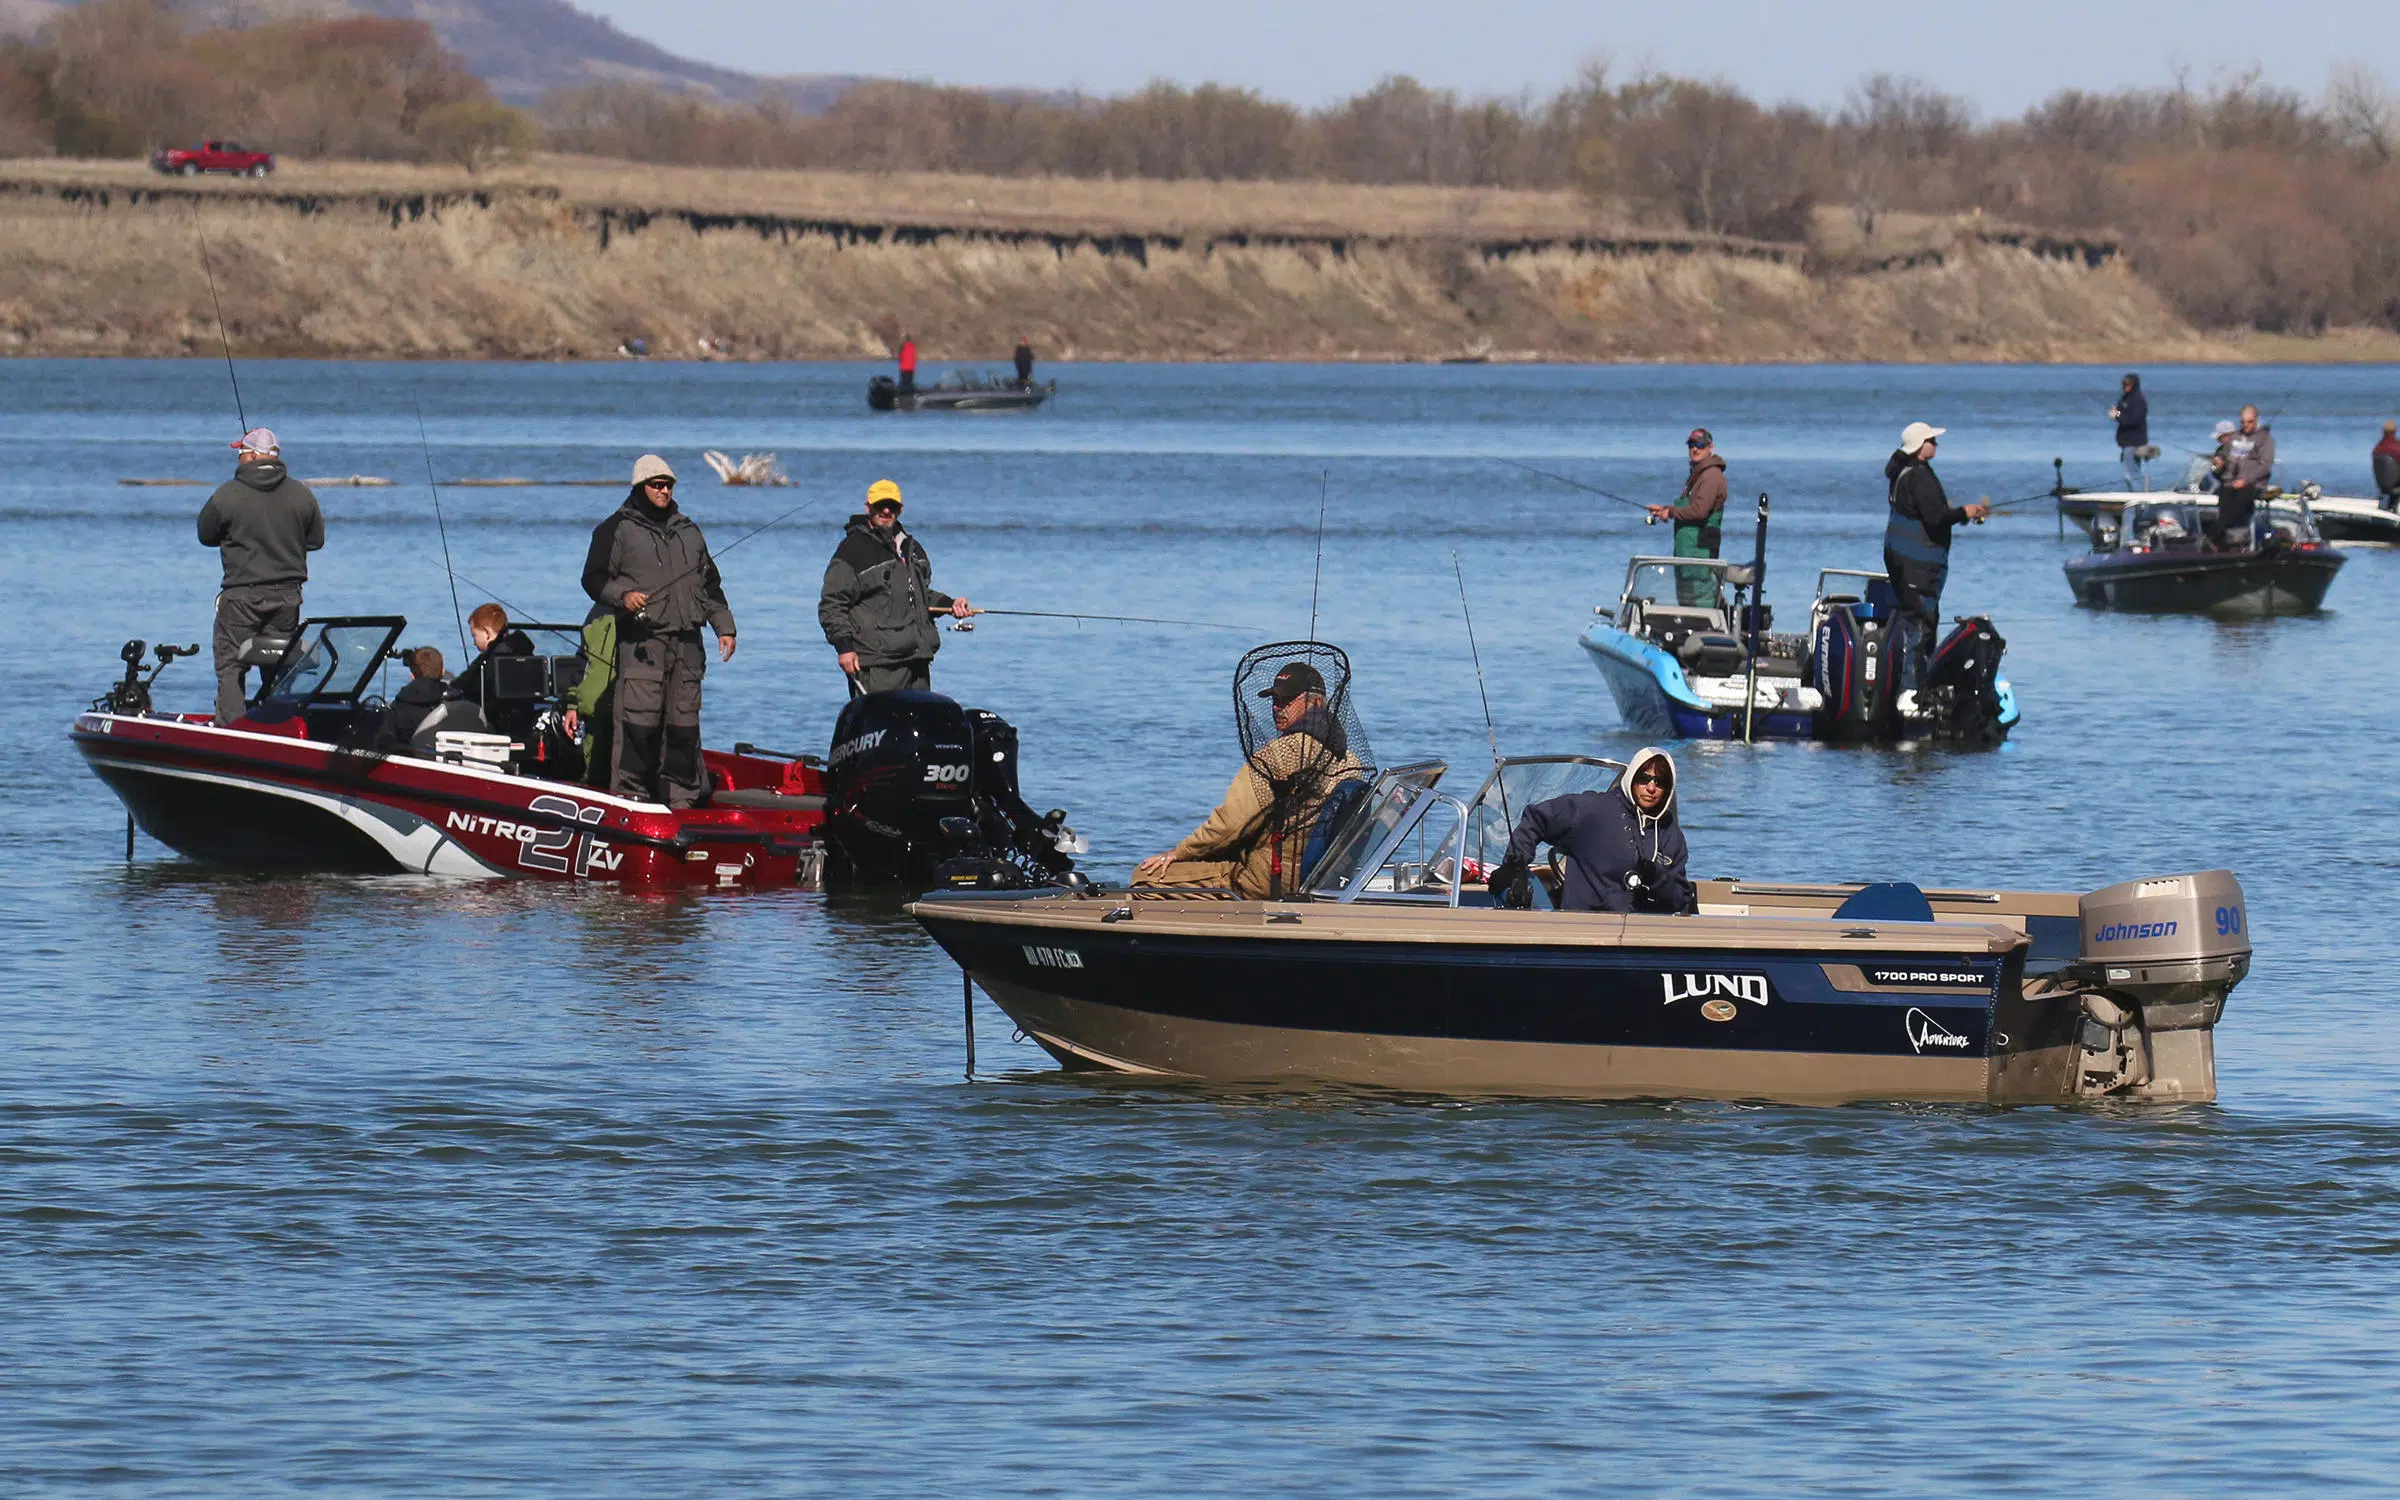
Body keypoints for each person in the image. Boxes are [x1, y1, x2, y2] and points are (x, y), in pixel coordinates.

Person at [580, 454, 736, 808]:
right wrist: (623, 596)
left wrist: (724, 628)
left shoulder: (689, 531)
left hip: (688, 646)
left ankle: (682, 802)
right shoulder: (614, 529)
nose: (664, 491)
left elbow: (710, 584)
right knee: (638, 725)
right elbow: (593, 578)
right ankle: (630, 798)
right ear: (640, 487)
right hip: (642, 645)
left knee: (684, 727)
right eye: (657, 485)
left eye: (668, 485)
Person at [1133, 662, 1364, 899]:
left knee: (1144, 879)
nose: (1277, 707)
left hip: (1266, 882)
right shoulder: (1350, 759)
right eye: (1274, 700)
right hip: (1321, 879)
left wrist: (1178, 853)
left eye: (1287, 701)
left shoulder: (1279, 755)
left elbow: (1230, 825)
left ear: (1316, 703)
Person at [197, 426, 324, 724]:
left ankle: (233, 731)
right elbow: (316, 541)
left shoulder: (228, 494)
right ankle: (280, 727)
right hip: (287, 599)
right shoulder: (302, 494)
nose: (239, 459)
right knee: (278, 663)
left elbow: (205, 534)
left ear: (253, 455)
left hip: (241, 596)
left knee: (231, 664)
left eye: (241, 453)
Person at [1484, 748, 1695, 915]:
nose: (1650, 788)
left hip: (1641, 933)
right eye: (1644, 778)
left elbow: (1680, 900)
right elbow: (1536, 819)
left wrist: (1657, 878)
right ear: (1632, 777)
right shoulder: (1593, 809)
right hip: (1584, 927)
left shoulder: (1670, 835)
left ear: (1669, 788)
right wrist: (1516, 864)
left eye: (1660, 782)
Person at [818, 480, 971, 695]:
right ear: (868, 508)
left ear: (900, 509)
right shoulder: (852, 550)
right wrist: (844, 649)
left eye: (891, 505)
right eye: (880, 505)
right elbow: (832, 604)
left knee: (919, 725)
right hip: (878, 664)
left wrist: (950, 604)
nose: (886, 510)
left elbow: (918, 594)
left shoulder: (911, 547)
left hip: (917, 661)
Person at [1882, 421, 1989, 699]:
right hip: (1918, 562)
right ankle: (1910, 692)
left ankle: (1914, 684)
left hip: (1902, 557)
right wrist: (1964, 512)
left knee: (1916, 619)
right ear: (1920, 448)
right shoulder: (1919, 476)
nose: (1936, 444)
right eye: (1931, 440)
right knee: (1921, 623)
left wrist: (1962, 515)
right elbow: (1935, 517)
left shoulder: (1905, 472)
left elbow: (1930, 515)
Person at [1648, 428, 1727, 606]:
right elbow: (1690, 509)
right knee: (1687, 604)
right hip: (1687, 554)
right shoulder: (1697, 476)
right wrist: (1664, 510)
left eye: (1700, 445)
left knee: (1701, 604)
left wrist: (1672, 512)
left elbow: (1700, 511)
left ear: (1710, 447)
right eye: (1692, 445)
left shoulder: (1711, 476)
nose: (1695, 449)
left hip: (1700, 554)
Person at [561, 604, 615, 788]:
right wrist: (572, 705)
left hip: (628, 716)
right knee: (594, 776)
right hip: (593, 717)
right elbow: (581, 662)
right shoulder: (598, 609)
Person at [2214, 404, 2274, 551]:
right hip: (2232, 482)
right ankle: (2222, 543)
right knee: (2224, 497)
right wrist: (2220, 464)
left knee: (2238, 502)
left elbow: (2265, 466)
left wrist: (2246, 480)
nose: (2245, 425)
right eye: (2243, 422)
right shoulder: (2234, 438)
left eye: (2249, 422)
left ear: (2256, 420)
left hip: (2253, 483)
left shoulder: (2265, 439)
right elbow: (2225, 457)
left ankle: (2213, 535)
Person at [377, 646, 451, 752]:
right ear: (443, 672)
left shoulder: (398, 708)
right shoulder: (457, 700)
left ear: (412, 676)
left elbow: (384, 743)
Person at [2110, 373, 2150, 491]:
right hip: (2126, 442)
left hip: (2134, 442)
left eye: (2128, 385)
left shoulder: (2138, 400)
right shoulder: (2124, 399)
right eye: (2124, 385)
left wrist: (2117, 416)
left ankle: (2139, 499)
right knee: (2132, 472)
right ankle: (2138, 498)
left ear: (2134, 385)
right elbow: (2122, 414)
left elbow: (2133, 420)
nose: (2125, 387)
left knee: (2131, 475)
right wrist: (2115, 413)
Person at [2372, 421, 2400, 510]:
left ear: (2383, 432)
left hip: (2383, 486)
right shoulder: (2397, 447)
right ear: (2395, 431)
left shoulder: (2377, 449)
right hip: (2396, 484)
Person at [897, 333, 918, 398]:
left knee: (904, 382)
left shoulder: (902, 346)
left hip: (904, 368)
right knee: (909, 382)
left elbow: (900, 356)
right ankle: (910, 394)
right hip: (911, 368)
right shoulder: (913, 347)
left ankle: (902, 394)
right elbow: (914, 357)